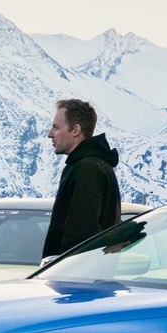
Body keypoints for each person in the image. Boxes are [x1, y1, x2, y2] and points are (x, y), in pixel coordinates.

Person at [43, 98, 121, 259]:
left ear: (75, 130)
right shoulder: (91, 165)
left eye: (56, 127)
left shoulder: (88, 169)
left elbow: (82, 231)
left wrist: (60, 267)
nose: (50, 134)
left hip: (75, 276)